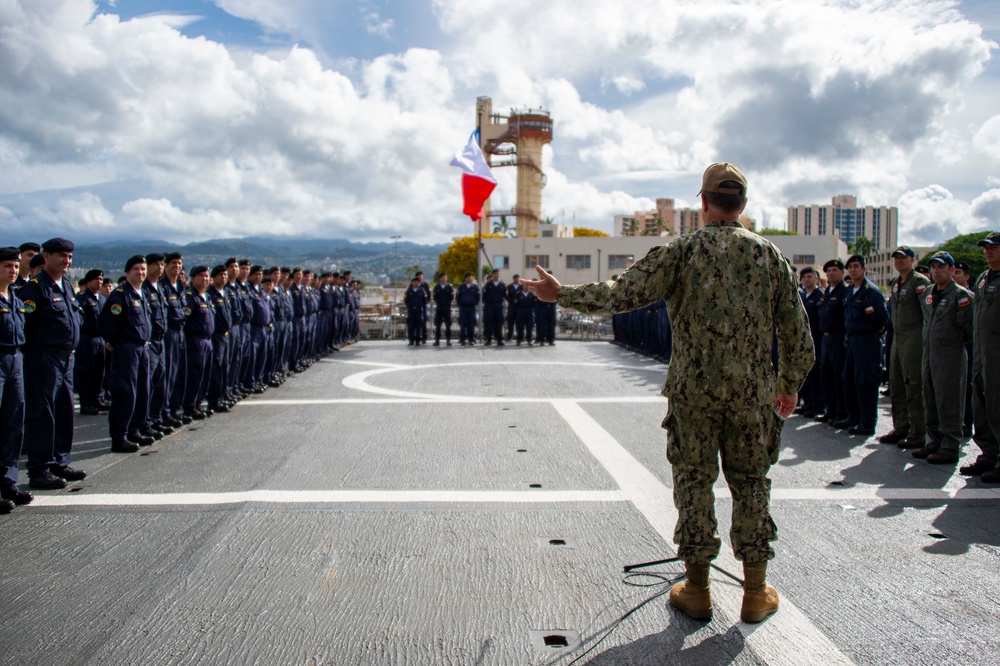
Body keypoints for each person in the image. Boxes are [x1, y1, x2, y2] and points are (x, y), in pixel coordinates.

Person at [522, 162, 814, 624]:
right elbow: (798, 333)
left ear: (704, 203)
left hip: (693, 393)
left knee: (694, 480)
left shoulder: (682, 252)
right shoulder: (769, 256)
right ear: (742, 205)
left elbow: (620, 294)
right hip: (752, 396)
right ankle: (756, 592)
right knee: (751, 483)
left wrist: (562, 294)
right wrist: (790, 385)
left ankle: (697, 589)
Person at [19, 237, 87, 489]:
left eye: (69, 257)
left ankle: (60, 461)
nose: (66, 261)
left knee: (64, 412)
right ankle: (40, 469)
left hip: (66, 358)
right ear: (46, 257)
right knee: (42, 414)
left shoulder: (65, 285)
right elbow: (25, 327)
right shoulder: (36, 288)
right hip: (44, 358)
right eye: (61, 256)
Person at [910, 251, 974, 465]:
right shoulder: (929, 293)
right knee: (930, 397)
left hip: (950, 354)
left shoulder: (961, 296)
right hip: (930, 353)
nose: (936, 271)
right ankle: (935, 441)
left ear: (952, 270)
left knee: (949, 399)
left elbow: (969, 330)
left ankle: (950, 446)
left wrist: (949, 343)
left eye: (941, 266)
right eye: (934, 267)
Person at [98, 255, 153, 452]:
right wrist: (116, 343)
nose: (140, 272)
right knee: (125, 393)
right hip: (127, 349)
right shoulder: (120, 295)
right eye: (136, 269)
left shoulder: (141, 294)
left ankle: (135, 430)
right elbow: (106, 324)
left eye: (143, 269)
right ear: (127, 272)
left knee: (142, 391)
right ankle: (119, 436)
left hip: (142, 348)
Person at [880, 246, 930, 448]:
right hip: (898, 337)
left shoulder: (920, 282)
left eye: (903, 257)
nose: (899, 261)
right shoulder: (895, 283)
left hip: (914, 336)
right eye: (896, 258)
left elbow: (927, 312)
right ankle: (901, 426)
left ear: (912, 259)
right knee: (897, 384)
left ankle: (917, 432)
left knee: (913, 384)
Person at [834, 254, 889, 437]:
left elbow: (882, 319)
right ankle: (853, 417)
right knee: (849, 380)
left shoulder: (870, 292)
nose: (853, 270)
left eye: (856, 266)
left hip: (867, 341)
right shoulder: (850, 291)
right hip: (852, 341)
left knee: (866, 382)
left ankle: (867, 422)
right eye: (850, 267)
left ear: (864, 269)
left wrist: (869, 331)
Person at [962, 232, 1000, 481]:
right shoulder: (983, 279)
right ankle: (989, 454)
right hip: (981, 350)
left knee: (997, 403)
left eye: (993, 247)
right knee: (981, 402)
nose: (988, 251)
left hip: (997, 351)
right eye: (985, 248)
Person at [0, 247, 32, 511]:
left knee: (13, 424)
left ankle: (8, 482)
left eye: (15, 266)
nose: (13, 271)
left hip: (15, 360)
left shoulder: (16, 298)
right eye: (7, 266)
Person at [815, 260, 849, 424]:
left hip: (838, 337)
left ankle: (841, 412)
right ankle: (831, 409)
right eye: (828, 271)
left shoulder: (845, 291)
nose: (831, 273)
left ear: (842, 272)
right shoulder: (827, 291)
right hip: (826, 338)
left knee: (839, 377)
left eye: (835, 270)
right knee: (826, 376)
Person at [159, 252, 190, 425]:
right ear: (166, 266)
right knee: (168, 374)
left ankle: (175, 409)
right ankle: (164, 412)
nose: (176, 266)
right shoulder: (162, 287)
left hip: (180, 332)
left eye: (179, 263)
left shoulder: (180, 286)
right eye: (173, 263)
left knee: (180, 373)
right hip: (169, 332)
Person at [182, 266, 215, 418]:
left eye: (206, 276)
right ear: (193, 278)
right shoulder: (190, 296)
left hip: (207, 340)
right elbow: (185, 319)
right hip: (195, 340)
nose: (204, 279)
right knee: (195, 374)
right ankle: (189, 405)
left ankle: (198, 402)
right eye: (201, 276)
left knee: (205, 374)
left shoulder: (206, 296)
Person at [74, 268, 106, 415]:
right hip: (87, 339)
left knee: (100, 371)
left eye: (101, 279)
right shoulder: (82, 298)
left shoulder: (102, 299)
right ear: (88, 282)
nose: (99, 282)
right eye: (96, 279)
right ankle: (86, 402)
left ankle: (97, 399)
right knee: (86, 372)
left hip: (101, 339)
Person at [797, 267, 824, 417]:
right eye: (804, 277)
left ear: (816, 278)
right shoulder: (802, 297)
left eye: (810, 276)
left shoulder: (820, 296)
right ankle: (808, 403)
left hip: (817, 338)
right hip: (804, 340)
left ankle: (818, 405)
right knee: (805, 373)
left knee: (816, 374)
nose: (807, 279)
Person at [953, 260, 975, 437]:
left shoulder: (971, 296)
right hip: (951, 346)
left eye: (958, 273)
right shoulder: (948, 295)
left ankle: (967, 421)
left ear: (967, 277)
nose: (954, 275)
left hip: (968, 345)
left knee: (967, 384)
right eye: (953, 272)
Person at [206, 265, 233, 412]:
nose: (223, 277)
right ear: (214, 277)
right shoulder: (211, 294)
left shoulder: (225, 293)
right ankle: (214, 400)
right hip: (216, 335)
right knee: (216, 368)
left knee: (224, 367)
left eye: (225, 275)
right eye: (220, 275)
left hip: (225, 335)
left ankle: (222, 396)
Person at [482, 269, 506, 346]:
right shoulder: (488, 284)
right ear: (492, 275)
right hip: (490, 306)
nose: (496, 275)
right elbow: (484, 296)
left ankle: (499, 339)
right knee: (489, 322)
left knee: (499, 322)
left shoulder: (502, 284)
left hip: (499, 305)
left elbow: (505, 295)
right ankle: (488, 339)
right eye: (495, 273)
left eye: (497, 273)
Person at [456, 272, 479, 345]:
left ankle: (471, 339)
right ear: (465, 278)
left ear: (472, 278)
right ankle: (463, 339)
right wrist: (460, 305)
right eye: (467, 277)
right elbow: (457, 297)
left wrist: (475, 303)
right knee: (463, 323)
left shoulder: (475, 287)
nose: (469, 278)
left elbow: (478, 297)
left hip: (472, 308)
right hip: (463, 308)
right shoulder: (461, 287)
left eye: (470, 277)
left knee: (472, 323)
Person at [432, 272, 454, 346]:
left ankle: (448, 340)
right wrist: (439, 302)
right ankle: (437, 340)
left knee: (448, 325)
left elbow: (451, 297)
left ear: (446, 278)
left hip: (447, 308)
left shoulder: (449, 287)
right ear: (439, 278)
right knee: (438, 325)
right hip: (439, 308)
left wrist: (447, 302)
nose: (443, 278)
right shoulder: (436, 287)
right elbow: (435, 297)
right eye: (442, 277)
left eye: (445, 277)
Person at [404, 276, 427, 346]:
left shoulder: (422, 291)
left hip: (419, 310)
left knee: (419, 325)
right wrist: (410, 306)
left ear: (419, 283)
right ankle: (411, 340)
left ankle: (418, 340)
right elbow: (406, 300)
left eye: (417, 282)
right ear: (412, 283)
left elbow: (425, 300)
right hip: (411, 310)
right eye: (414, 282)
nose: (416, 283)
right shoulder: (409, 291)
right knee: (411, 325)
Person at [515, 281, 537, 345]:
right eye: (525, 285)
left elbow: (534, 302)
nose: (526, 287)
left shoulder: (532, 294)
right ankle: (519, 340)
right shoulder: (518, 294)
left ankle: (529, 339)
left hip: (529, 311)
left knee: (529, 326)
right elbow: (516, 303)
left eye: (528, 285)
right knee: (520, 326)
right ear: (523, 286)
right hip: (521, 310)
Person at [505, 274, 521, 341]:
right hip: (511, 306)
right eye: (516, 278)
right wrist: (510, 301)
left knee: (519, 322)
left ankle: (519, 336)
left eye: (518, 278)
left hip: (519, 307)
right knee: (510, 322)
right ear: (513, 279)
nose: (517, 279)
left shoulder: (521, 286)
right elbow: (506, 295)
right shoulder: (509, 286)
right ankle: (509, 336)